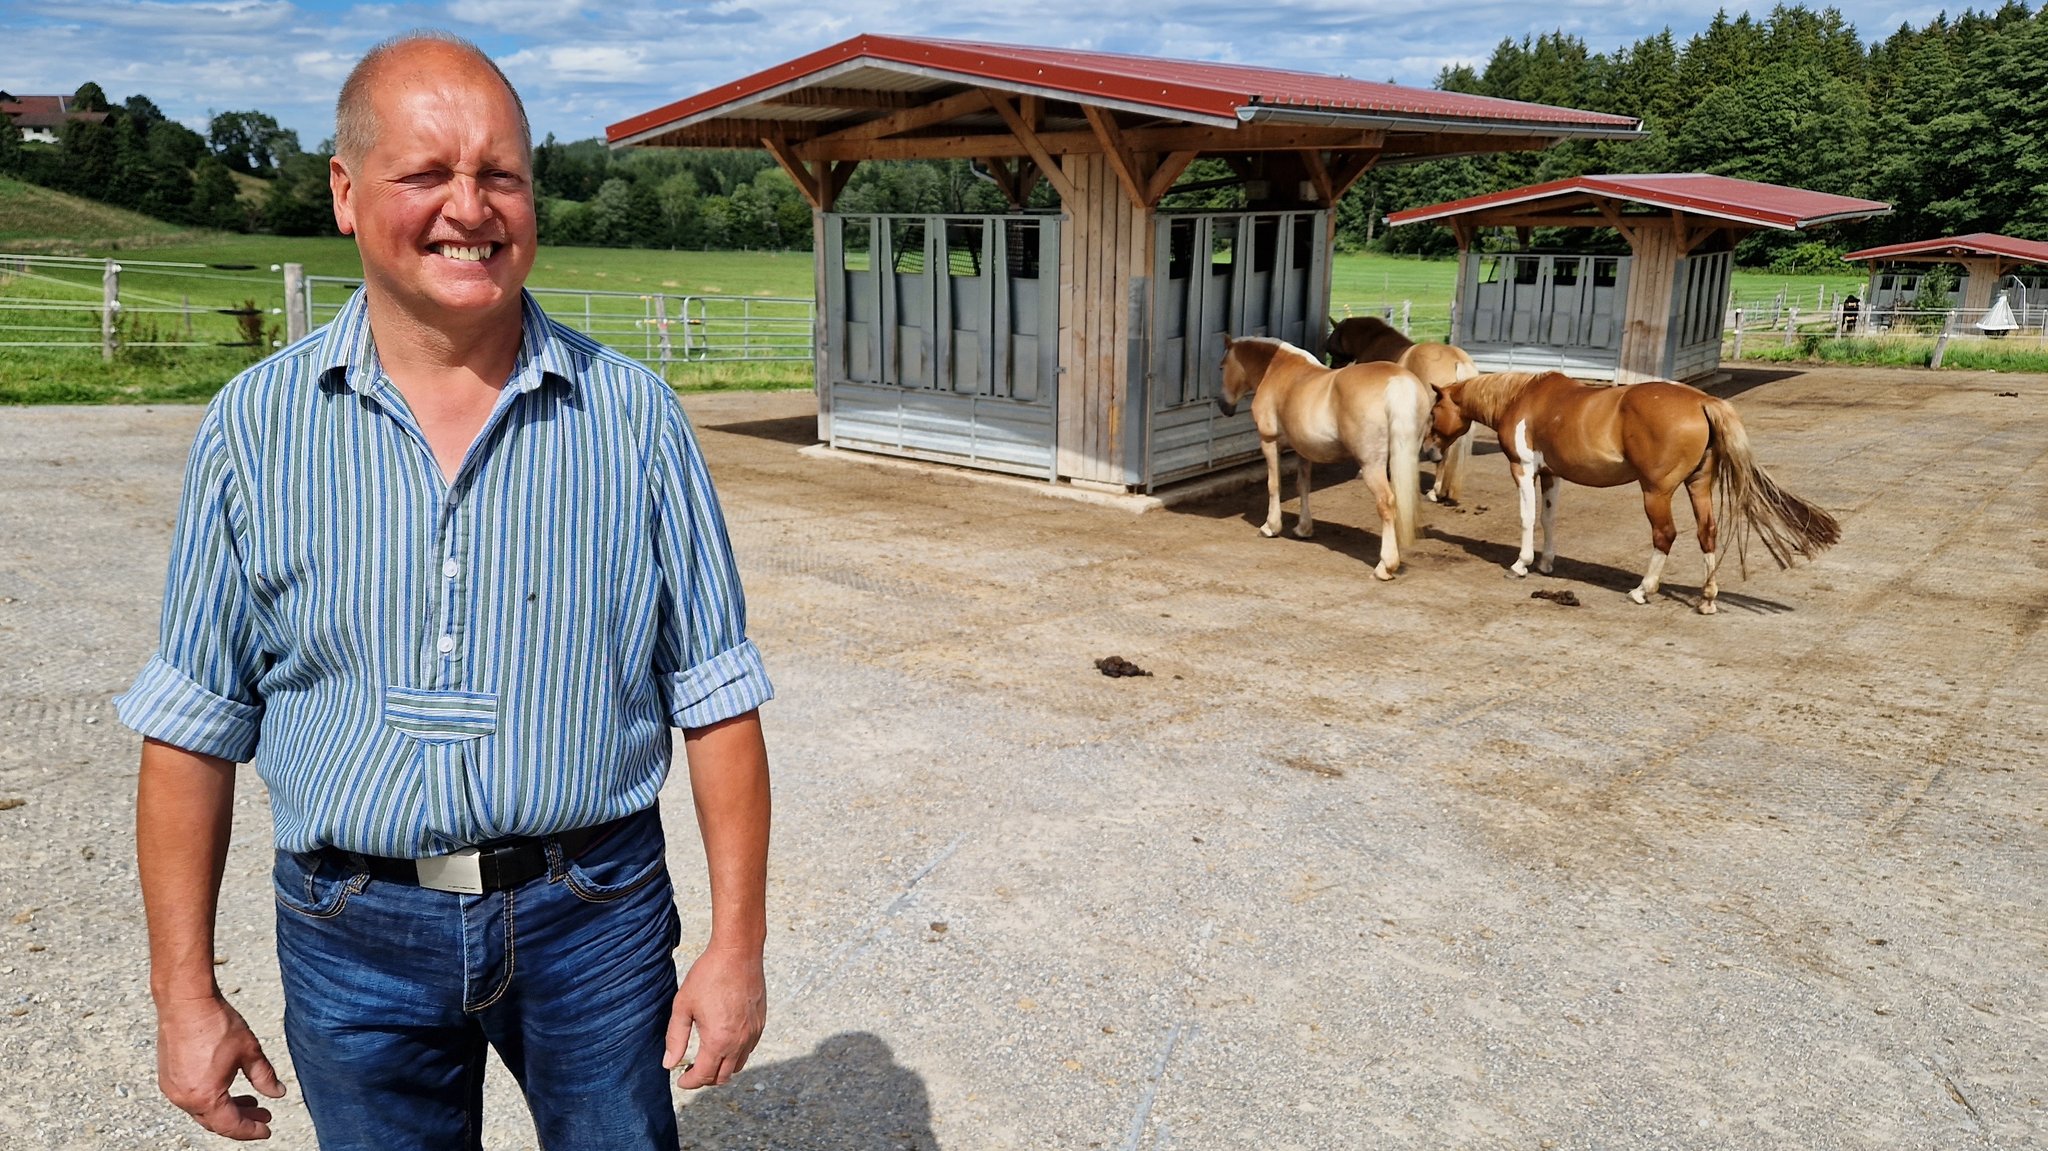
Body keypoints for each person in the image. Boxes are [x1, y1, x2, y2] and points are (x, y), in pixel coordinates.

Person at [115, 30, 773, 1148]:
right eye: (425, 172)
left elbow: (715, 692)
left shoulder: (633, 418)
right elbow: (191, 723)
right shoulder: (255, 430)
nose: (469, 206)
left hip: (595, 914)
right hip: (350, 927)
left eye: (500, 173)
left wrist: (736, 947)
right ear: (345, 191)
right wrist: (184, 996)